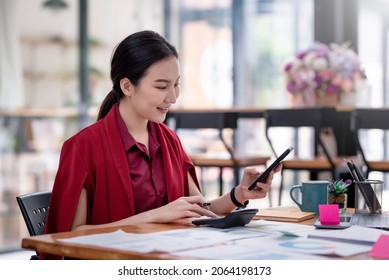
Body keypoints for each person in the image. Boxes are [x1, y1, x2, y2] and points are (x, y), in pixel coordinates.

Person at [41, 30, 281, 259]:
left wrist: (239, 194)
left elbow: (200, 209)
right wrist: (156, 216)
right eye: (161, 86)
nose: (173, 97)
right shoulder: (83, 148)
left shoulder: (169, 140)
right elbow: (72, 236)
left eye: (176, 84)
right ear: (127, 86)